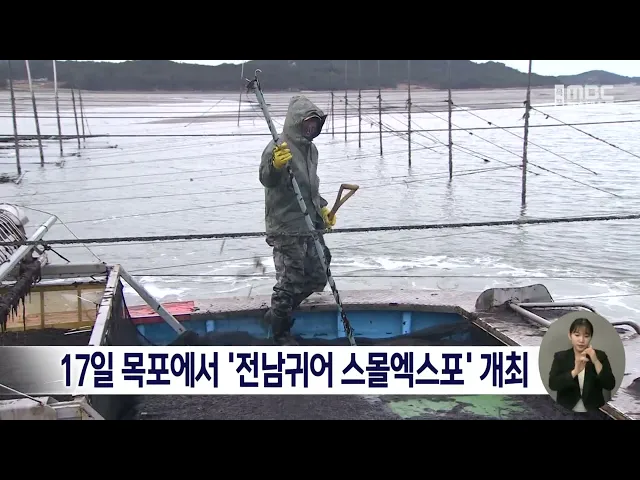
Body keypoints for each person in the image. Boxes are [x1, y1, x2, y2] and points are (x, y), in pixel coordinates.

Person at [258, 95, 335, 346]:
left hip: (310, 224)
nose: (311, 128)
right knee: (290, 279)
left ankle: (276, 314)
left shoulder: (311, 150)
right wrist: (275, 166)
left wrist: (322, 210)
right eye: (307, 122)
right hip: (286, 226)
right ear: (296, 122)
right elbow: (267, 179)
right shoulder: (278, 146)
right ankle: (279, 333)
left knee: (320, 270)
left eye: (316, 123)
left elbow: (310, 187)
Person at [548, 317, 616, 412]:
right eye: (577, 335)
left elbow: (609, 385)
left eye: (586, 336)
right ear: (570, 335)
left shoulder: (600, 356)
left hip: (594, 410)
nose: (581, 340)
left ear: (591, 337)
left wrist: (595, 361)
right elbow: (553, 385)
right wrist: (575, 371)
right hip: (566, 408)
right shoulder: (561, 357)